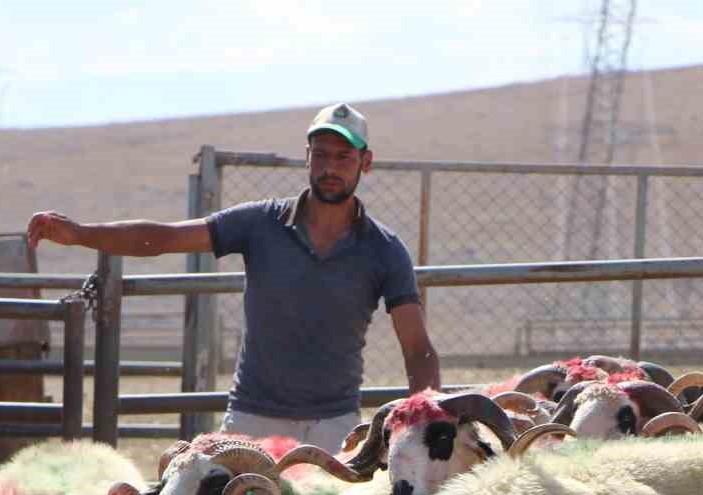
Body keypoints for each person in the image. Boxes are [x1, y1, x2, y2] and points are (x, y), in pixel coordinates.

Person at [26, 102, 441, 453]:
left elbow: (418, 348)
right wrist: (80, 234)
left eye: (343, 156)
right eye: (321, 154)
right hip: (252, 419)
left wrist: (423, 418)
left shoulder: (384, 250)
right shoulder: (260, 224)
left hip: (335, 426)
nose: (330, 167)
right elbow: (165, 237)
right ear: (307, 157)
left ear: (365, 163)